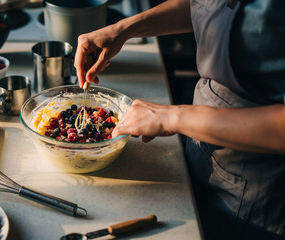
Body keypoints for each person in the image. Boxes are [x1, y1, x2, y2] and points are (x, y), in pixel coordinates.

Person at [74, 0, 285, 239]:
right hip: (203, 154)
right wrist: (121, 30)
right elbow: (203, 5)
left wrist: (171, 117)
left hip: (259, 192)